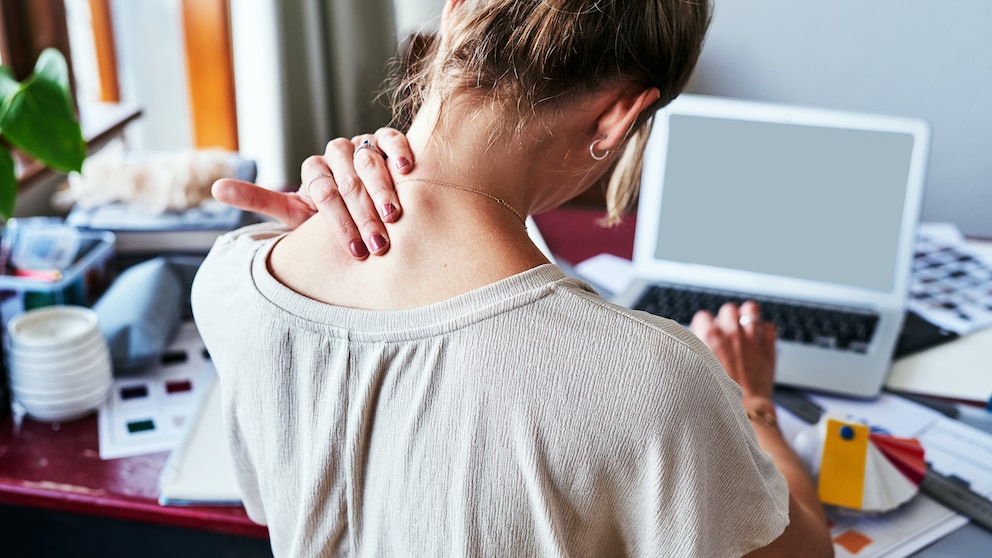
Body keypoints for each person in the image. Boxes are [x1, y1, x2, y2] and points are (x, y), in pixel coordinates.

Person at [192, 0, 833, 556]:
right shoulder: (659, 382)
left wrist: (305, 236)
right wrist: (752, 405)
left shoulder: (230, 280)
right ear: (618, 117)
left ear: (452, 14)